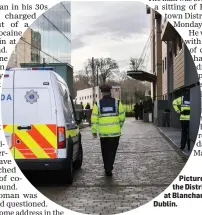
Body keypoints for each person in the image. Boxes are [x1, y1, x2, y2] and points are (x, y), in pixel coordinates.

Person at [91, 84, 125, 176]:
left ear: (102, 93)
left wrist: (94, 131)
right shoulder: (117, 103)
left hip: (103, 134)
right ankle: (109, 167)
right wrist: (118, 126)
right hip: (115, 134)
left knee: (105, 152)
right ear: (110, 92)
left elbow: (94, 119)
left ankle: (107, 167)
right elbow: (122, 118)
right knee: (112, 151)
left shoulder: (97, 104)